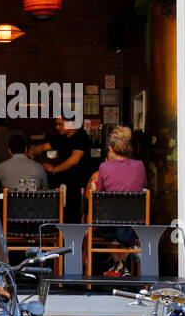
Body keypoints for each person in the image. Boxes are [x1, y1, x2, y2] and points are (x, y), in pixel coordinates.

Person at [94, 126, 147, 276]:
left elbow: (99, 194)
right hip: (135, 224)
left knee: (107, 222)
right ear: (129, 147)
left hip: (109, 224)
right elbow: (143, 187)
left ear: (110, 149)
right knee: (122, 225)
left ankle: (119, 265)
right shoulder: (140, 166)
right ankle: (121, 265)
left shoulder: (104, 167)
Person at [44, 115, 93, 222]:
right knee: (62, 215)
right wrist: (30, 152)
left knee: (73, 217)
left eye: (60, 124)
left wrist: (54, 169)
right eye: (56, 124)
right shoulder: (62, 138)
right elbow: (44, 147)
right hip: (64, 185)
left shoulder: (81, 137)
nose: (57, 127)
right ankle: (62, 237)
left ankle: (72, 238)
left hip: (78, 185)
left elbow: (74, 160)